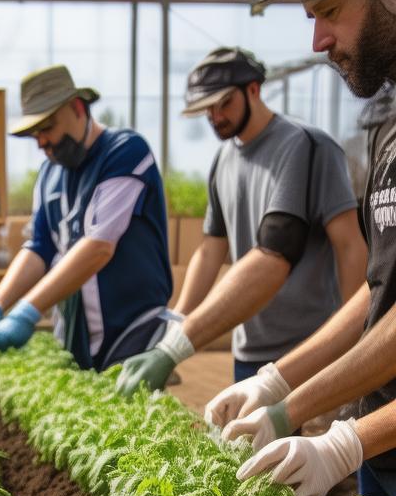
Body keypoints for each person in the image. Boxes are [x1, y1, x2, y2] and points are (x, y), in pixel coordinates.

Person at [209, 0, 396, 496]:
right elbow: (381, 288)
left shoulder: (305, 147)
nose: (317, 40)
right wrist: (279, 387)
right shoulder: (388, 122)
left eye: (331, 10)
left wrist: (340, 439)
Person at [115, 46, 365, 397]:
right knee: (250, 450)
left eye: (224, 103)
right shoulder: (223, 160)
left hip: (306, 350)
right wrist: (175, 325)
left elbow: (349, 244)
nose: (216, 116)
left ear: (254, 89)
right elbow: (210, 250)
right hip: (248, 349)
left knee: (303, 450)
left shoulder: (306, 146)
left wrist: (354, 340)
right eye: (208, 109)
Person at [0, 64, 174, 370]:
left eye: (47, 127)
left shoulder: (124, 152)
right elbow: (39, 248)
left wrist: (26, 312)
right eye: (35, 134)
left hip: (131, 331)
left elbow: (99, 246)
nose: (42, 142)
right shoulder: (49, 173)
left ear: (77, 107)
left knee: (129, 416)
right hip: (75, 333)